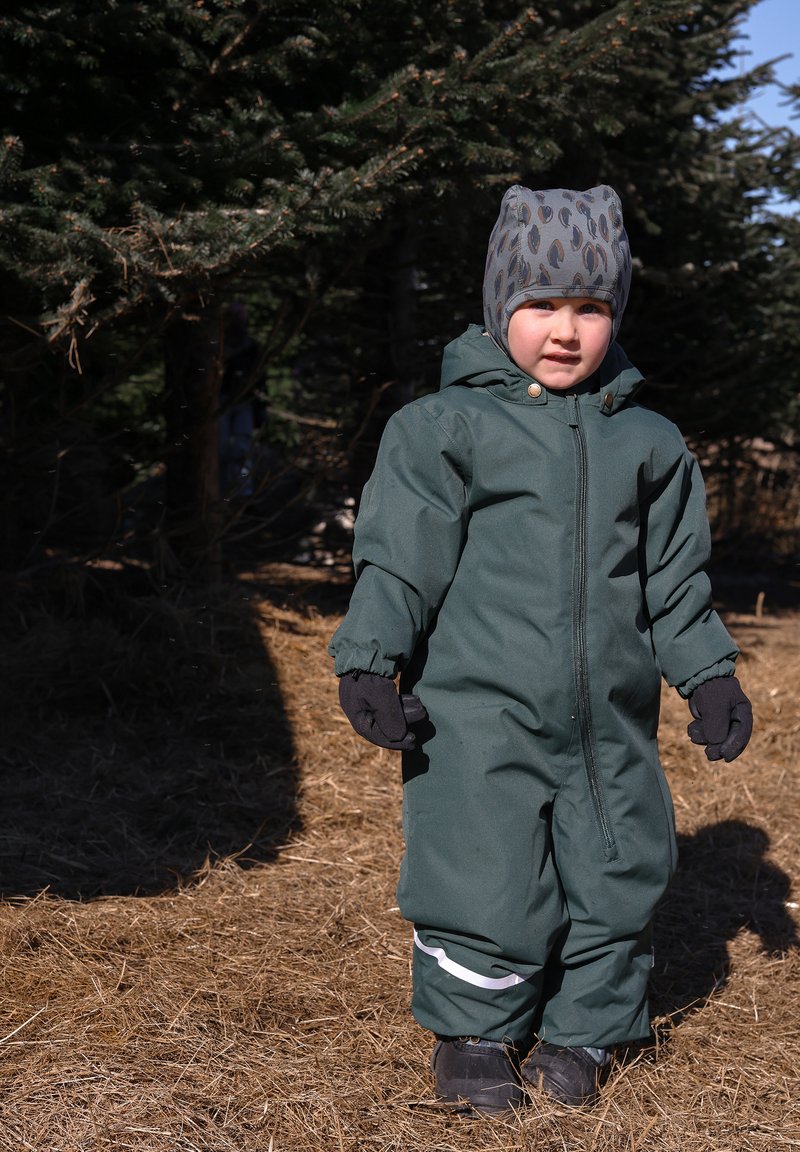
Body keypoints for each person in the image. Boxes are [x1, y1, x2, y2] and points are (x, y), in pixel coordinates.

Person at [328, 185, 753, 1117]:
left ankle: (584, 1032)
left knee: (620, 866)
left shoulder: (648, 441)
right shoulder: (445, 429)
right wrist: (369, 658)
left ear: (616, 313)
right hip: (479, 713)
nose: (565, 330)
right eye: (540, 304)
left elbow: (673, 581)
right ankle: (475, 1036)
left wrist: (710, 674)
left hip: (609, 723)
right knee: (483, 868)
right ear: (498, 306)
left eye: (590, 307)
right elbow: (401, 558)